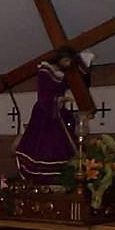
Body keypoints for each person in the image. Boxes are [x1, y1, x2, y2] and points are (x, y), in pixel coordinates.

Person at [15, 48, 93, 184]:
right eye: (66, 60)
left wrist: (85, 61)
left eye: (70, 61)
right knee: (45, 146)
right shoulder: (45, 71)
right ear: (59, 59)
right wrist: (59, 100)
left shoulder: (64, 73)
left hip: (59, 113)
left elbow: (79, 80)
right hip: (45, 114)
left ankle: (65, 177)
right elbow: (43, 97)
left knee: (65, 144)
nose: (68, 63)